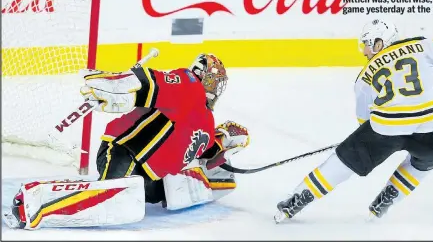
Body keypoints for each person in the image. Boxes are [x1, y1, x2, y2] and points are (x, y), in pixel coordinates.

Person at [6, 53, 251, 230]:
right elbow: (153, 82)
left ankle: (112, 190)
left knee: (140, 195)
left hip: (148, 179)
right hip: (122, 153)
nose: (218, 88)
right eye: (216, 81)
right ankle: (35, 201)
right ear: (206, 79)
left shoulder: (207, 122)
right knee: (118, 198)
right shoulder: (190, 88)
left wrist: (227, 139)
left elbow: (207, 153)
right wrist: (120, 85)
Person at [273, 19, 433, 223]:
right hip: (432, 127)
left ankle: (298, 198)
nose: (364, 52)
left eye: (368, 44)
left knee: (343, 161)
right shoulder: (424, 45)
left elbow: (364, 121)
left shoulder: (364, 77)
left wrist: (364, 142)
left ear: (380, 43)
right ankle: (389, 197)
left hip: (386, 127)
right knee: (428, 159)